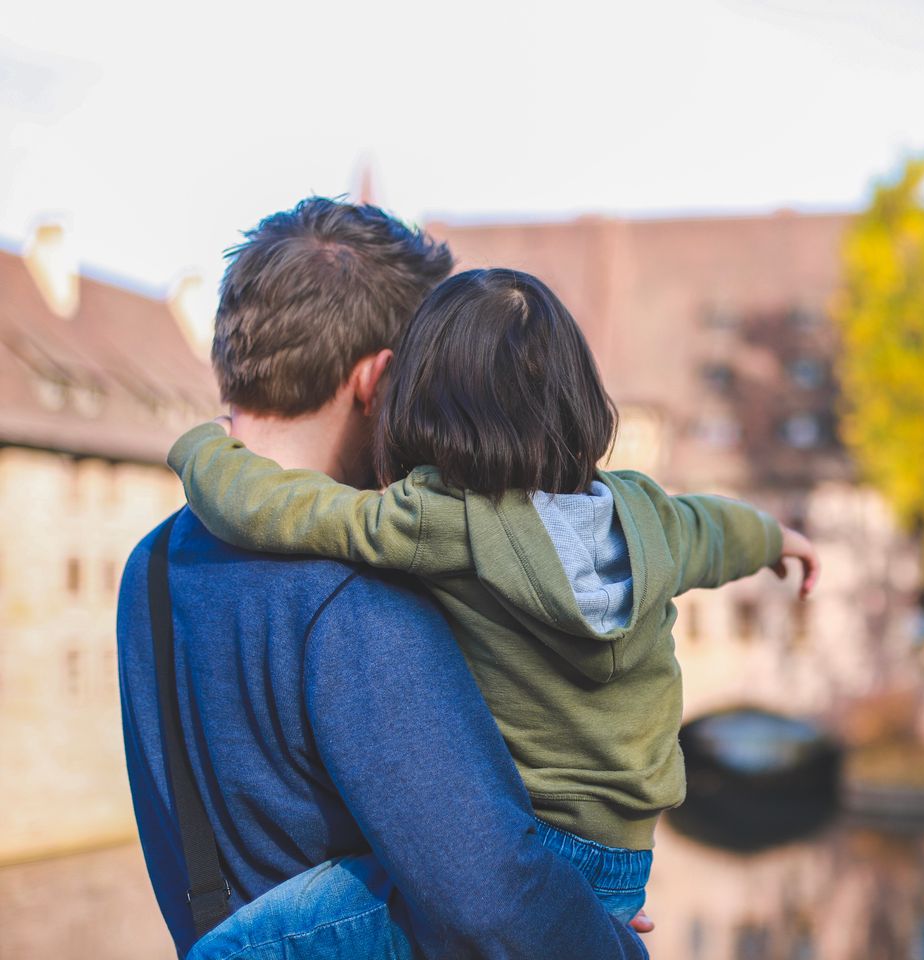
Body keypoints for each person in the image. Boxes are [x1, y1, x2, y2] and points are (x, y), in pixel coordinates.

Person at [166, 267, 821, 924]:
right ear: (580, 400)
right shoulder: (650, 515)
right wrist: (777, 539)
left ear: (416, 405)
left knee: (248, 942)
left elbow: (290, 510)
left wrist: (205, 449)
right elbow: (717, 528)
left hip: (526, 858)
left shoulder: (440, 520)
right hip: (627, 859)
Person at [118, 199, 650, 959]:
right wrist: (604, 940)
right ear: (379, 380)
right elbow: (494, 892)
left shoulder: (154, 564)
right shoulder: (358, 590)